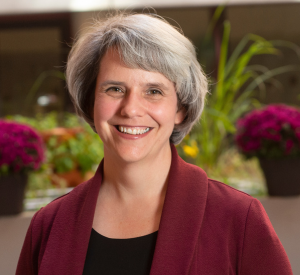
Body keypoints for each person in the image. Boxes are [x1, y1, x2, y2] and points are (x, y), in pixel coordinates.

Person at [16, 13, 292, 275]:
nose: (131, 109)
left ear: (180, 109)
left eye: (154, 91)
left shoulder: (239, 219)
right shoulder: (48, 225)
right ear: (91, 102)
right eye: (114, 89)